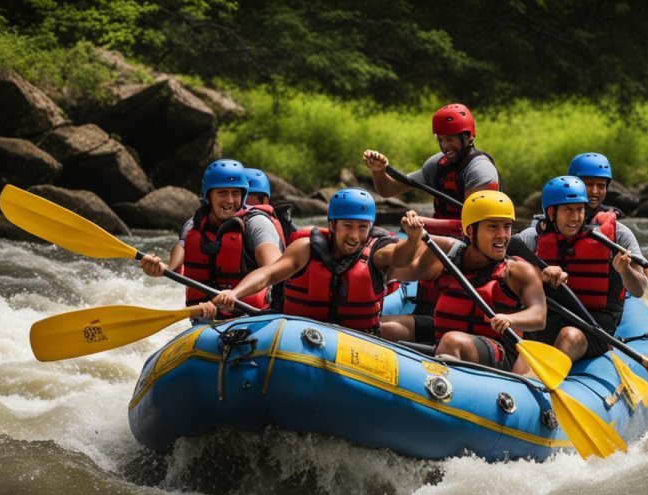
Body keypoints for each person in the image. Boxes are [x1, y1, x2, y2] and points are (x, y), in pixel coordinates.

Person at [208, 189, 425, 340]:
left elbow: (401, 257)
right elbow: (268, 274)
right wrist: (236, 293)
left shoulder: (376, 252)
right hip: (300, 337)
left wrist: (414, 238)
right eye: (347, 225)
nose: (354, 235)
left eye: (362, 227)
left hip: (357, 343)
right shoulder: (306, 248)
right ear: (332, 225)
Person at [390, 191, 547, 374]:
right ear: (471, 231)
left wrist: (510, 319)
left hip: (497, 350)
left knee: (452, 341)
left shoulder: (518, 271)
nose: (503, 235)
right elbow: (399, 272)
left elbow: (539, 316)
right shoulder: (446, 256)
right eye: (493, 227)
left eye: (507, 227)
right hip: (443, 335)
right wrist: (413, 238)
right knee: (388, 327)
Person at [515, 175, 648, 363]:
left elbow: (639, 290)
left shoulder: (615, 237)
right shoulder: (531, 238)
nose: (575, 217)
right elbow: (506, 272)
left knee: (570, 336)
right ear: (551, 213)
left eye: (579, 209)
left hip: (594, 326)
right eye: (568, 210)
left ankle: (543, 385)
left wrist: (624, 270)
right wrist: (539, 274)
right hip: (549, 319)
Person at [139, 159, 283, 317]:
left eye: (235, 193)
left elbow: (273, 269)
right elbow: (174, 268)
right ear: (208, 195)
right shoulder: (194, 224)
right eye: (222, 192)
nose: (229, 200)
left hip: (254, 317)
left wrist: (235, 293)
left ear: (243, 195)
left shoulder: (256, 223)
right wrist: (159, 269)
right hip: (206, 319)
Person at [361, 103, 501, 220]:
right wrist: (378, 171)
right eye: (440, 140)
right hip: (444, 238)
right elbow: (390, 190)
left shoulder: (481, 170)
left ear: (467, 138)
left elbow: (476, 222)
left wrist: (424, 222)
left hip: (475, 243)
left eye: (450, 139)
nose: (445, 146)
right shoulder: (438, 164)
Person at [568, 152, 615, 220]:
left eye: (601, 186)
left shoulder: (611, 216)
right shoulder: (556, 215)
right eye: (588, 184)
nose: (594, 191)